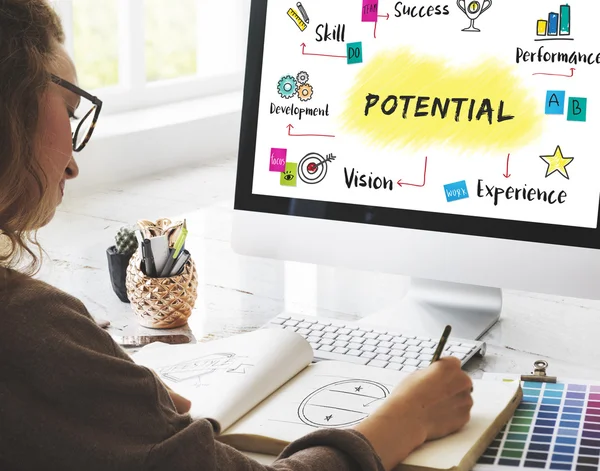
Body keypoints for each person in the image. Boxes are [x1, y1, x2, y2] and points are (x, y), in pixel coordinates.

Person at [0, 1, 474, 470]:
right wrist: (407, 418)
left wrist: (106, 393)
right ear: (11, 107)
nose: (73, 164)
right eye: (69, 109)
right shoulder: (26, 323)